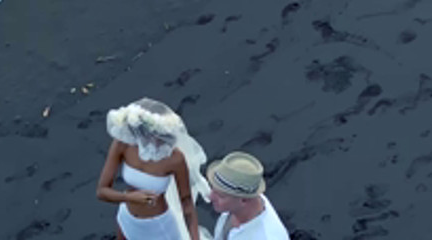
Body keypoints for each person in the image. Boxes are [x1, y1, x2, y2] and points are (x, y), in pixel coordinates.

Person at [97, 97, 212, 240]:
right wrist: (128, 197)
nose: (164, 140)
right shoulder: (123, 144)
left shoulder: (175, 158)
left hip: (158, 227)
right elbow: (102, 191)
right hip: (126, 219)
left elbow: (187, 204)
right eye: (159, 135)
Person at [207, 151, 290, 240]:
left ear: (244, 200)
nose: (210, 197)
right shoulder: (237, 203)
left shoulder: (266, 237)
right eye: (213, 189)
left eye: (221, 196)